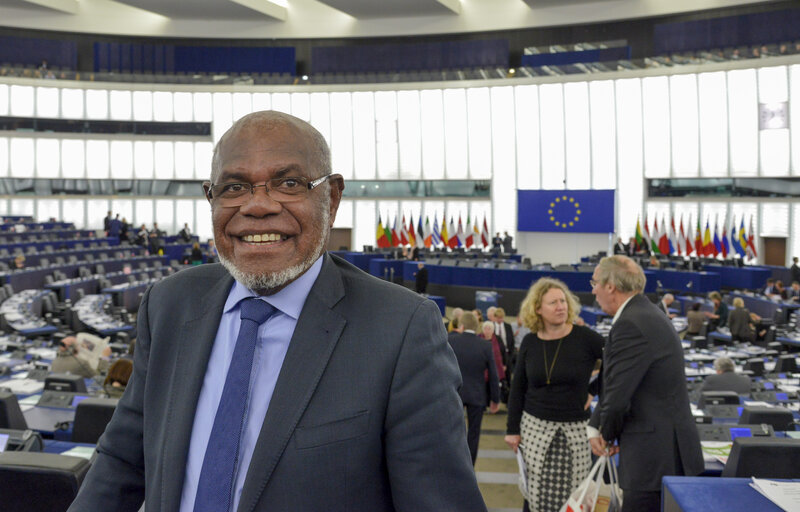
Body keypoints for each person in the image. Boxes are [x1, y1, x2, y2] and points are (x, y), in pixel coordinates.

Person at [68, 111, 486, 512]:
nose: (258, 206)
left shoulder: (400, 329)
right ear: (210, 198)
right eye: (234, 187)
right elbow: (124, 458)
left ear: (332, 196)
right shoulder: (169, 305)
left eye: (288, 183)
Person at [588, 255, 703, 512]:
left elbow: (618, 396)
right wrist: (597, 425)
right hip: (663, 453)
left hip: (653, 457)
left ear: (610, 286)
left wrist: (605, 433)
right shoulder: (647, 313)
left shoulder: (631, 323)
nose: (593, 289)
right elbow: (622, 382)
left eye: (595, 282)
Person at [505, 277, 603, 512]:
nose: (561, 306)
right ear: (537, 309)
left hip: (575, 431)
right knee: (534, 493)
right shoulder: (529, 342)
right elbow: (518, 387)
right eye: (553, 303)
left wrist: (593, 390)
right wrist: (512, 429)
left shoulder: (586, 338)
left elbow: (617, 362)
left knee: (574, 497)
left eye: (563, 301)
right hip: (534, 430)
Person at [448, 312, 500, 465]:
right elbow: (493, 374)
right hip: (477, 395)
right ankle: (470, 465)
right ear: (477, 328)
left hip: (454, 394)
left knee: (453, 431)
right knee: (474, 433)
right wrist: (495, 399)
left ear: (461, 326)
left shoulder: (451, 340)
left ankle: (453, 463)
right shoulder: (485, 345)